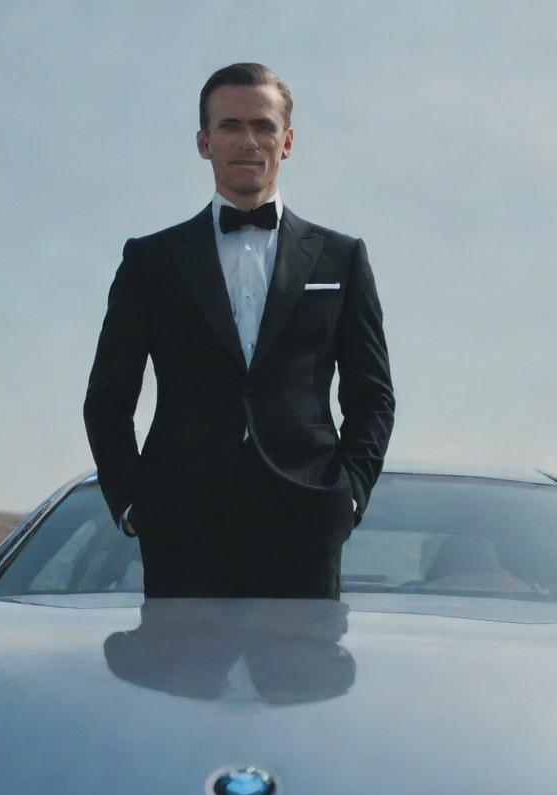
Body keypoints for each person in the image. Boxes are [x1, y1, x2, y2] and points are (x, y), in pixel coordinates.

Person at [83, 63, 395, 599]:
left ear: (287, 141)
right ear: (204, 142)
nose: (247, 141)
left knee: (302, 683)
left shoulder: (342, 258)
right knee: (176, 684)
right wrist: (134, 504)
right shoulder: (150, 261)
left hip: (306, 525)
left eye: (263, 126)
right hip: (179, 529)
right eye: (229, 126)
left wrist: (349, 496)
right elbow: (108, 399)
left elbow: (373, 395)